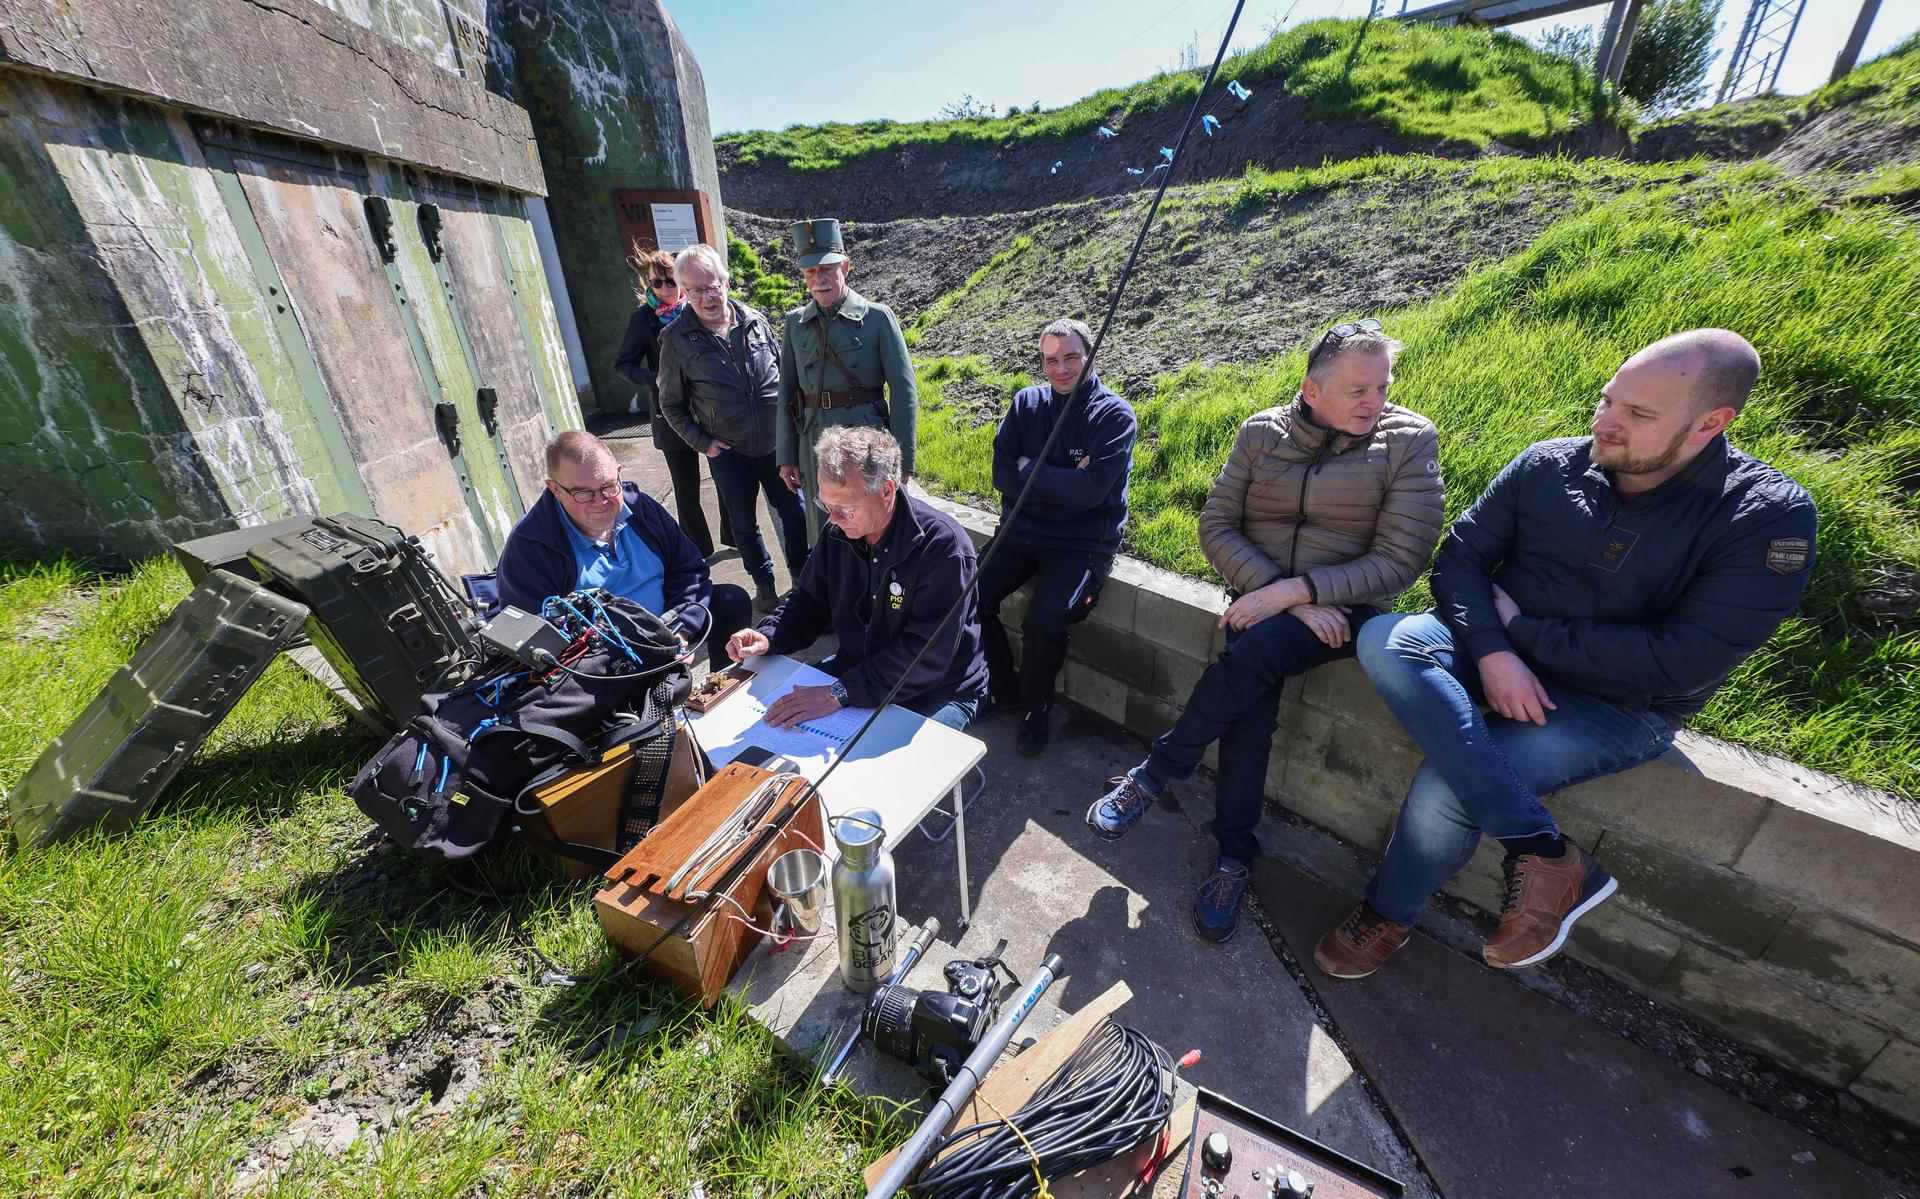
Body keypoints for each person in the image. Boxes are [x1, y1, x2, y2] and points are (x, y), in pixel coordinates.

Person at [1311, 328, 1818, 980]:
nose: (1605, 423)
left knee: (1450, 784)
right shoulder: (1549, 463)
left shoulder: (1766, 518)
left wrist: (1523, 636)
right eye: (1608, 400)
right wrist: (1494, 651)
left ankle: (1388, 912)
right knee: (1386, 638)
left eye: (1637, 414)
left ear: (1710, 423)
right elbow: (1462, 559)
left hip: (1615, 704)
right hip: (1491, 649)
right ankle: (1543, 850)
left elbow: (1683, 658)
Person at [1086, 320, 1446, 944]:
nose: (1376, 402)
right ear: (1311, 389)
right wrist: (1276, 592)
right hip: (1262, 599)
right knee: (1249, 710)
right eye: (1359, 389)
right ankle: (1234, 858)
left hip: (1346, 606)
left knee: (1257, 651)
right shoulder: (1261, 432)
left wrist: (1299, 594)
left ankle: (1155, 773)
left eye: (1382, 386)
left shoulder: (1408, 441)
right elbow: (1217, 526)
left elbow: (1402, 557)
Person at [727, 426, 989, 731]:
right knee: (772, 724)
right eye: (826, 505)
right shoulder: (839, 531)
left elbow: (926, 655)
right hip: (859, 672)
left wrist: (839, 693)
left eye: (845, 509)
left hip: (939, 690)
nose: (833, 520)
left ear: (887, 491)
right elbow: (810, 601)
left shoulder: (943, 547)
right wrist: (769, 635)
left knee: (888, 776)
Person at [977, 318, 1138, 757]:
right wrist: (1062, 478)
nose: (1061, 369)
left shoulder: (1113, 415)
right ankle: (1002, 688)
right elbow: (1000, 475)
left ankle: (1035, 710)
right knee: (969, 595)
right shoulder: (1026, 404)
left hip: (1081, 542)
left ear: (1091, 357)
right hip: (1022, 531)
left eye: (1071, 357)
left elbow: (1090, 494)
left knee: (1044, 624)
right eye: (1051, 360)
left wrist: (1030, 469)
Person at [495, 431, 751, 668]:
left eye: (608, 486)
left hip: (668, 624)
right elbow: (536, 636)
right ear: (555, 489)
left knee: (732, 601)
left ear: (619, 472)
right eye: (583, 493)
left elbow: (690, 570)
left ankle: (724, 687)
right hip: (604, 655)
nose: (600, 502)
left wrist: (679, 632)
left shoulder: (640, 507)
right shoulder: (531, 545)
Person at [658, 243, 809, 614]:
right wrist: (703, 443)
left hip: (777, 446)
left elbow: (785, 381)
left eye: (713, 286)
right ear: (684, 292)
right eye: (695, 289)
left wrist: (795, 435)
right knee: (743, 524)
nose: (707, 297)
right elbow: (671, 404)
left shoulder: (756, 321)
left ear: (727, 282)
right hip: (728, 452)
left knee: (796, 515)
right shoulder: (676, 340)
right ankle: (765, 586)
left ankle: (805, 584)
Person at [775, 219, 918, 546]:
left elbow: (904, 392)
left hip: (865, 443)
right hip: (814, 441)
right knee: (825, 525)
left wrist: (905, 460)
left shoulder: (878, 318)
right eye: (810, 272)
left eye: (827, 269)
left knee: (869, 524)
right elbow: (787, 393)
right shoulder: (795, 323)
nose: (819, 279)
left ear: (846, 267)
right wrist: (787, 455)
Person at [611, 246, 729, 558]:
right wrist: (654, 379)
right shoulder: (643, 318)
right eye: (656, 283)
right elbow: (623, 364)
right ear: (647, 285)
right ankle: (699, 549)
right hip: (671, 413)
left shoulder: (698, 309)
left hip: (708, 409)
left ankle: (733, 535)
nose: (664, 289)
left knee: (725, 478)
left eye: (669, 281)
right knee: (686, 488)